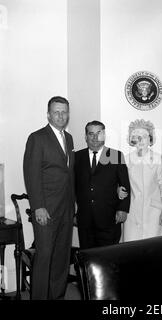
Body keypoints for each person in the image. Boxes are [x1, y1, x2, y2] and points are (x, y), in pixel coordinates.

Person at [23, 96, 74, 300]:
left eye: (64, 112)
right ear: (48, 114)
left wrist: (74, 203)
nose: (61, 116)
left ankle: (57, 297)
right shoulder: (37, 137)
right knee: (44, 256)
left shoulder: (68, 138)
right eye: (56, 112)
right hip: (46, 209)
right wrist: (38, 207)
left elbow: (69, 174)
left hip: (66, 208)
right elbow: (31, 174)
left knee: (61, 257)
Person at [74, 120, 130, 249]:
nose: (95, 137)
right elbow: (71, 187)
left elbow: (125, 184)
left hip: (109, 219)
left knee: (109, 257)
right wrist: (73, 213)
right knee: (87, 258)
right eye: (91, 133)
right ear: (85, 136)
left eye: (98, 134)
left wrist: (123, 209)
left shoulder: (115, 155)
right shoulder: (77, 157)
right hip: (85, 220)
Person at [119, 119, 162, 241]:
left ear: (150, 139)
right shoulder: (126, 159)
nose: (140, 140)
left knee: (153, 247)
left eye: (144, 136)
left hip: (153, 212)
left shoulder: (157, 158)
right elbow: (120, 182)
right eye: (137, 136)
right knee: (132, 248)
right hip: (132, 211)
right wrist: (118, 190)